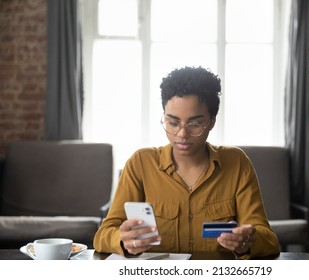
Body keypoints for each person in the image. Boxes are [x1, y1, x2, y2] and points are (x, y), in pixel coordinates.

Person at [93, 66, 280, 259]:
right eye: (173, 123)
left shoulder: (237, 163)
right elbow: (103, 235)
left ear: (212, 121)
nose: (182, 134)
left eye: (195, 124)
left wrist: (247, 242)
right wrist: (123, 240)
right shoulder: (140, 163)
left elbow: (269, 241)